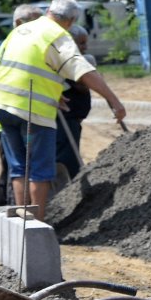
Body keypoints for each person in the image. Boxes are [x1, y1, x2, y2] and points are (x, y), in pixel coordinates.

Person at [0, 0, 126, 220]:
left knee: (18, 167)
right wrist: (114, 101)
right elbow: (83, 71)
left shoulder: (22, 30)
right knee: (40, 170)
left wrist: (54, 94)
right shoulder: (58, 35)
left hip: (1, 106)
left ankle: (20, 221)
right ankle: (37, 224)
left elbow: (21, 66)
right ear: (71, 20)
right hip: (31, 109)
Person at [0, 3, 45, 209]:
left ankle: (10, 212)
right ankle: (8, 213)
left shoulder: (14, 45)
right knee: (14, 170)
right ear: (17, 23)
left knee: (16, 169)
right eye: (31, 23)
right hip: (9, 116)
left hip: (15, 113)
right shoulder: (12, 46)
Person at [53, 24, 93, 183]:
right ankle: (70, 188)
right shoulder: (64, 64)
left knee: (72, 154)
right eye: (81, 43)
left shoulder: (78, 61)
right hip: (64, 120)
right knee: (67, 158)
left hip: (73, 120)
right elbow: (82, 85)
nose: (85, 47)